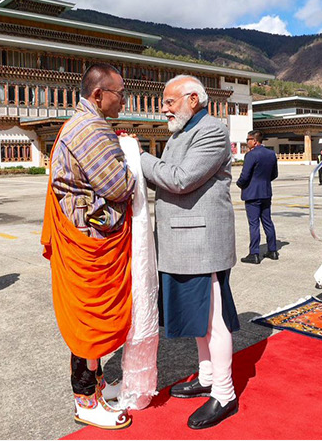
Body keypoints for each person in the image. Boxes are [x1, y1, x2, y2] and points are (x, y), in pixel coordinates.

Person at [139, 75, 241, 430]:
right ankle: (207, 376)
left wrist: (140, 159)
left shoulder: (212, 131)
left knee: (213, 319)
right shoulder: (181, 132)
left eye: (169, 102)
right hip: (183, 240)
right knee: (200, 320)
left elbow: (181, 178)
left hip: (201, 241)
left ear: (193, 99)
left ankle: (225, 393)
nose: (163, 108)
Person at [40, 64, 136, 430]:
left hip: (87, 235)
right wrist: (130, 164)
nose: (123, 98)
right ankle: (85, 399)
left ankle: (96, 384)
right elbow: (120, 186)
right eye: (120, 92)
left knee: (91, 318)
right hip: (88, 241)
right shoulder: (90, 129)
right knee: (88, 320)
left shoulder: (83, 123)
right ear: (98, 95)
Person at [238, 130, 280, 264]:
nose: (247, 142)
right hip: (266, 192)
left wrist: (240, 184)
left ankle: (254, 253)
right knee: (267, 221)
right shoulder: (271, 154)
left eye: (248, 139)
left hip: (252, 194)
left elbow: (245, 176)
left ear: (255, 141)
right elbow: (274, 174)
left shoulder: (251, 155)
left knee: (254, 224)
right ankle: (272, 250)